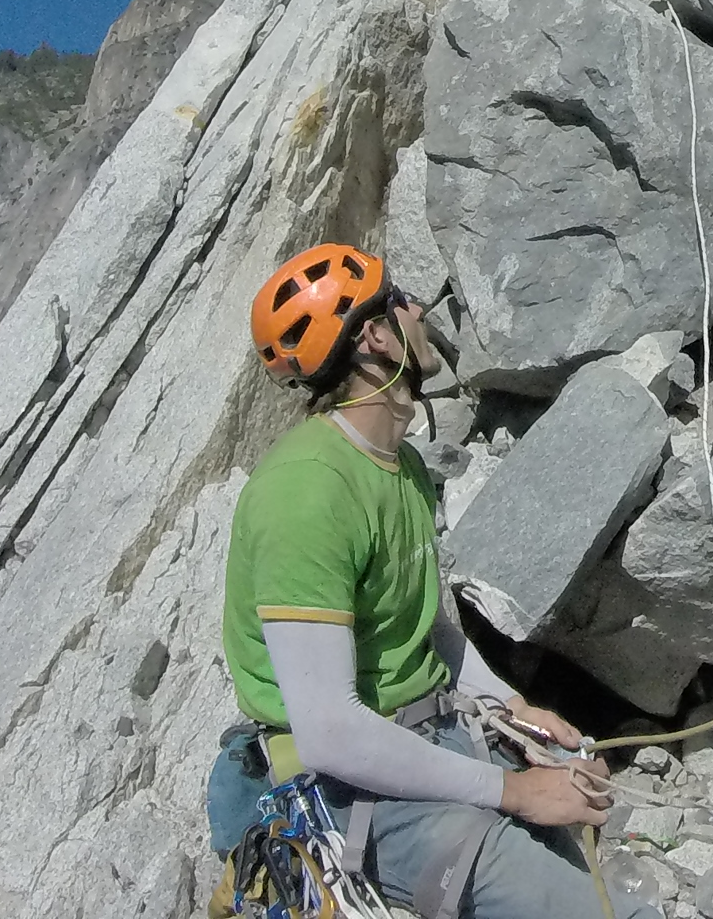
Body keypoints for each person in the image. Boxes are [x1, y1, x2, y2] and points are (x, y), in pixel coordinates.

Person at [207, 242, 656, 919]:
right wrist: (515, 792)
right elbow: (330, 731)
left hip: (425, 740)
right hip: (353, 787)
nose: (419, 309)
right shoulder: (306, 494)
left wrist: (514, 708)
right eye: (401, 299)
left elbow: (429, 631)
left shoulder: (402, 467)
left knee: (586, 861)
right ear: (376, 337)